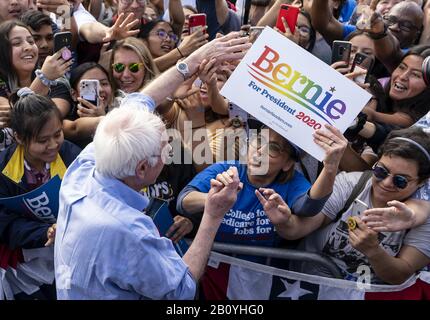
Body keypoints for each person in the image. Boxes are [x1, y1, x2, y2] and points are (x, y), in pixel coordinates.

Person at [54, 31, 251, 299]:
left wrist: (190, 62)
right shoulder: (130, 232)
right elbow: (180, 289)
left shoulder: (84, 170)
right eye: (164, 149)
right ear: (143, 169)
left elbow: (140, 101)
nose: (171, 149)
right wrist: (212, 216)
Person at [264, 127, 430, 285]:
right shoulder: (351, 183)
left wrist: (373, 251)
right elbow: (297, 230)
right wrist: (283, 222)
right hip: (307, 286)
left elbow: (400, 275)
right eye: (381, 171)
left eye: (400, 180)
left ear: (421, 182)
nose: (386, 183)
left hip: (363, 293)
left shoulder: (422, 218)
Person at [0, 90, 81, 299]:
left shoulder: (75, 159)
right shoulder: (4, 169)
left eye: (57, 134)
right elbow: (4, 223)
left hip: (75, 256)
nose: (53, 145)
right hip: (25, 264)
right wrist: (44, 233)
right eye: (43, 140)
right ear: (18, 137)